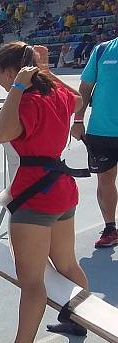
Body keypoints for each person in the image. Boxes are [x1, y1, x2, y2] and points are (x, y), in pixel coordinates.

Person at [0, 43, 88, 343]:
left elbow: (3, 132)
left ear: (11, 71)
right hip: (60, 188)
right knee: (67, 264)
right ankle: (78, 320)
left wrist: (17, 87)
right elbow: (79, 98)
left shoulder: (25, 100)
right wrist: (45, 73)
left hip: (34, 193)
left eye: (0, 71)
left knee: (31, 281)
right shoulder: (55, 95)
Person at [71, 35, 118, 248]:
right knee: (105, 180)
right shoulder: (102, 50)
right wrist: (78, 120)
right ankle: (110, 228)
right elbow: (85, 89)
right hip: (102, 130)